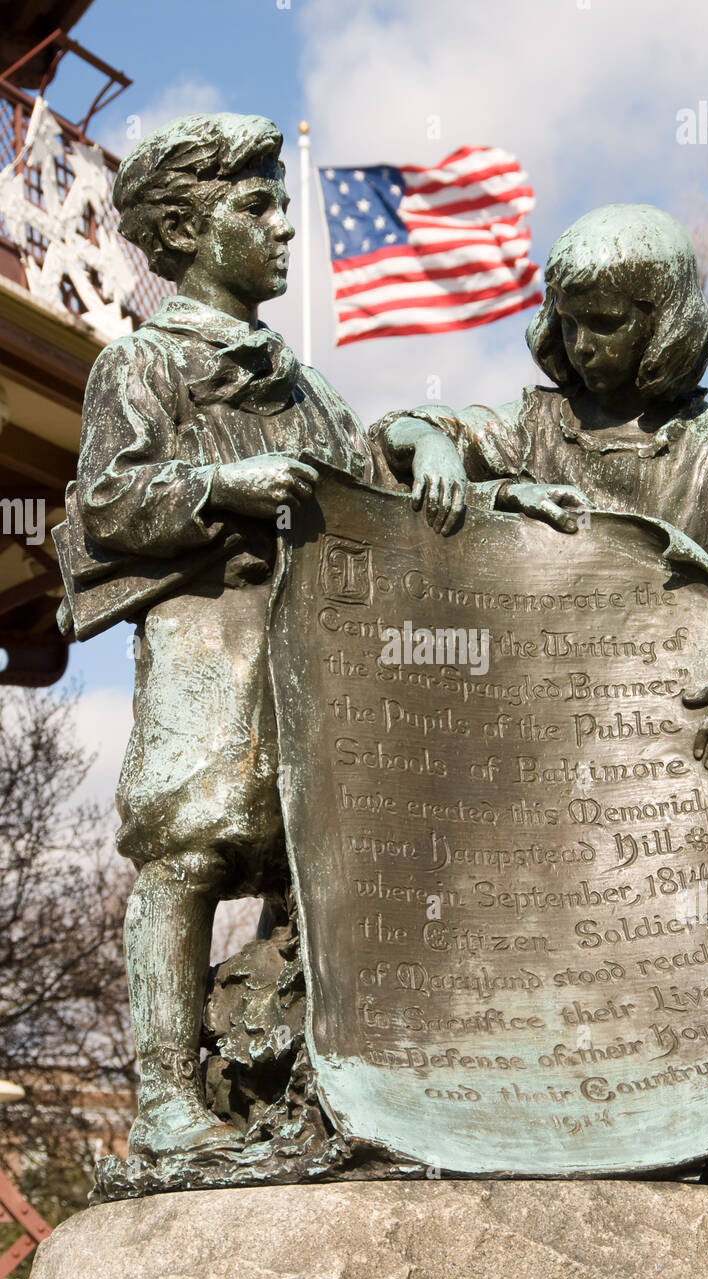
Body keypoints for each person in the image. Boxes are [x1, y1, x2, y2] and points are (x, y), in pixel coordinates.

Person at [56, 113, 459, 1160]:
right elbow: (107, 500)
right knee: (186, 854)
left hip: (310, 657)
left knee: (309, 860)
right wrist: (221, 485)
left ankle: (303, 1077)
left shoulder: (305, 384)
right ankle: (164, 1098)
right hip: (208, 641)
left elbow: (359, 474)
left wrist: (417, 433)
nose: (283, 226)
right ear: (189, 230)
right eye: (258, 207)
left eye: (283, 204)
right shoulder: (142, 363)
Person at [372, 203, 708, 906]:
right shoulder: (534, 428)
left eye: (606, 324)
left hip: (684, 743)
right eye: (569, 321)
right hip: (551, 749)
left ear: (663, 324)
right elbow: (407, 430)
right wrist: (432, 443)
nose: (582, 345)